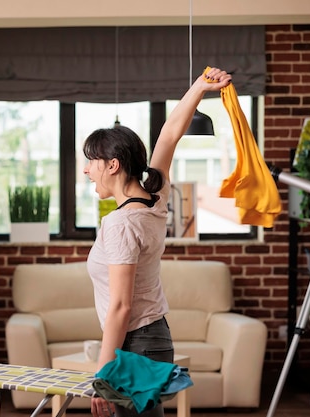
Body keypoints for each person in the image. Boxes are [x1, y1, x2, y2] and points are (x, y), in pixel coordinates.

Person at [83, 67, 232, 417]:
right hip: (152, 337)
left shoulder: (120, 223)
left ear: (113, 165)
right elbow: (168, 136)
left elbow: (121, 307)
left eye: (91, 161)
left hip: (136, 342)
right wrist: (199, 87)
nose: (87, 170)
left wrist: (103, 376)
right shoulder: (154, 195)